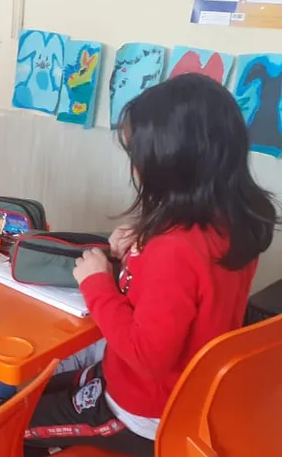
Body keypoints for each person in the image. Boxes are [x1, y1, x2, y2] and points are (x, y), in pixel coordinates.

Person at [23, 73, 278, 457]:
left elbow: (146, 356)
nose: (134, 170)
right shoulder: (234, 222)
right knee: (33, 389)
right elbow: (188, 289)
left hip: (142, 410)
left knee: (12, 423)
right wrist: (142, 245)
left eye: (139, 158)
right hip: (186, 393)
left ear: (173, 165)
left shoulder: (175, 249)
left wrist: (97, 283)